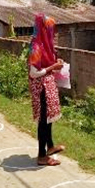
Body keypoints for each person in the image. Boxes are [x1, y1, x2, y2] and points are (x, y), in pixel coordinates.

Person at [28, 14, 65, 166]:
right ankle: (42, 156)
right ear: (44, 29)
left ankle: (50, 147)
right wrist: (53, 67)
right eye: (50, 29)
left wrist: (57, 64)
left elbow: (47, 67)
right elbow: (33, 72)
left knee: (48, 118)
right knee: (43, 121)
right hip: (41, 87)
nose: (53, 33)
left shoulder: (46, 45)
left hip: (47, 84)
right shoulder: (37, 46)